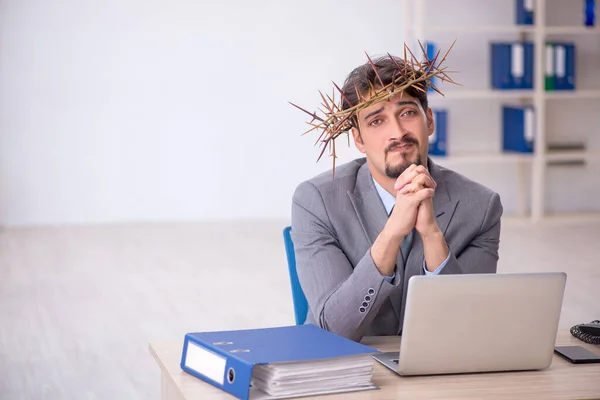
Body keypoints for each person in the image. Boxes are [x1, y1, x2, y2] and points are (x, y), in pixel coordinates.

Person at [290, 54, 503, 342]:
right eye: (377, 121)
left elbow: (469, 327)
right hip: (346, 372)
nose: (398, 133)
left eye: (407, 113)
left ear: (428, 120)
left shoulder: (481, 207)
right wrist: (392, 232)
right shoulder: (317, 202)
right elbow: (335, 331)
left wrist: (431, 235)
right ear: (359, 140)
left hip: (440, 372)